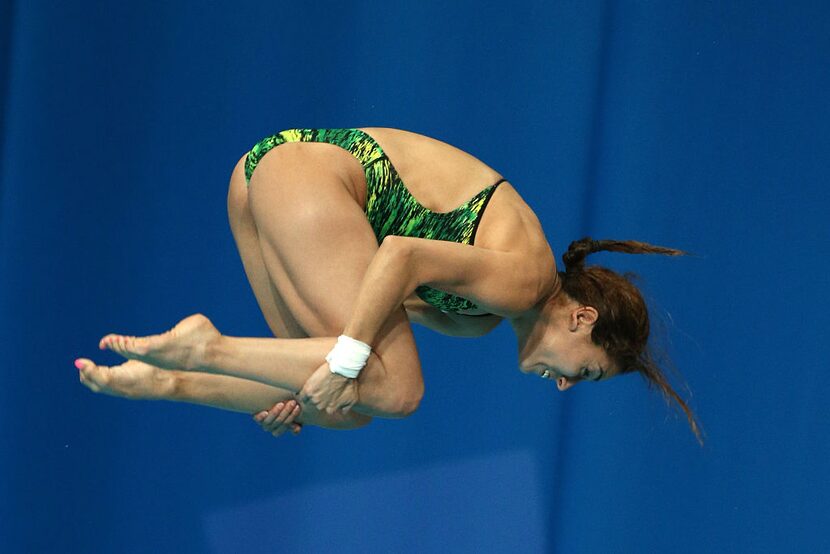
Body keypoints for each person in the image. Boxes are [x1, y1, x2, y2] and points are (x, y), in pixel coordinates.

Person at [76, 127, 703, 444]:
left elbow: (365, 301)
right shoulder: (526, 281)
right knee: (397, 389)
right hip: (310, 178)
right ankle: (204, 346)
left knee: (343, 412)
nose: (564, 384)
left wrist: (311, 386)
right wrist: (347, 356)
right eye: (585, 372)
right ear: (581, 320)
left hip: (263, 175)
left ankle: (170, 381)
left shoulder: (477, 316)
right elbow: (398, 256)